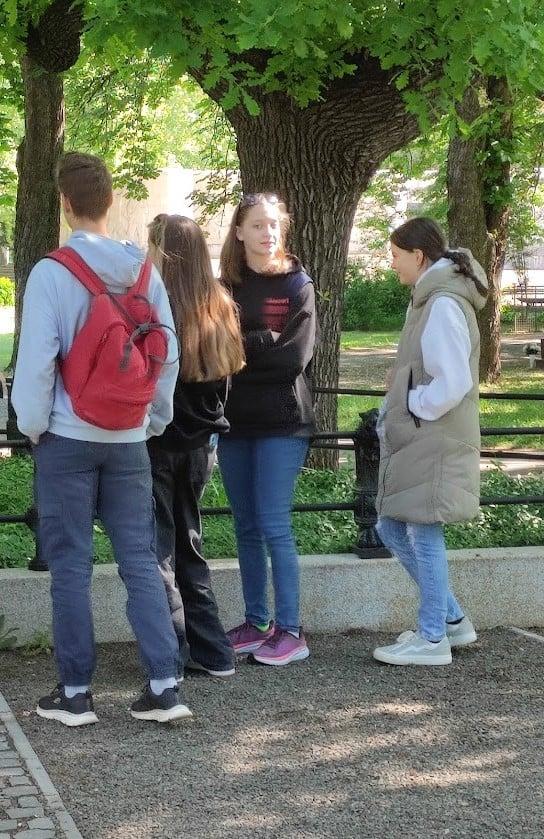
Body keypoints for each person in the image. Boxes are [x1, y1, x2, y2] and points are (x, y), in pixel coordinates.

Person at [12, 152, 191, 725]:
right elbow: (166, 354)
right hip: (128, 439)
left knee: (70, 565)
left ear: (65, 204)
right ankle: (164, 686)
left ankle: (74, 694)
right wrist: (151, 420)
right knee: (140, 557)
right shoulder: (144, 272)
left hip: (67, 436)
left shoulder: (52, 272)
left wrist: (32, 426)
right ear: (110, 202)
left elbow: (37, 362)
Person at [373, 217, 488, 666]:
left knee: (421, 530)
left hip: (433, 436)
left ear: (418, 256)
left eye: (395, 255)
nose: (392, 264)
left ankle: (433, 637)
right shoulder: (432, 299)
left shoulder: (441, 303)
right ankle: (452, 620)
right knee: (391, 526)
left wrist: (410, 401)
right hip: (427, 436)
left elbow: (453, 381)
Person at [217, 192, 317, 666]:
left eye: (274, 224)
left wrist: (242, 352)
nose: (267, 232)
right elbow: (215, 354)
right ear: (239, 232)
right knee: (246, 525)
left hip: (283, 422)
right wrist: (262, 341)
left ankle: (291, 630)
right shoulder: (225, 288)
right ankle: (257, 623)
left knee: (274, 523)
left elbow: (293, 359)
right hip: (234, 422)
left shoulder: (298, 285)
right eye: (257, 225)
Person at [146, 213, 245, 678]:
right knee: (190, 542)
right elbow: (226, 374)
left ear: (162, 251)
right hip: (202, 443)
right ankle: (213, 650)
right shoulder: (219, 303)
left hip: (159, 440)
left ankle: (171, 651)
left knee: (158, 549)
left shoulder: (155, 304)